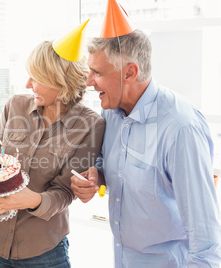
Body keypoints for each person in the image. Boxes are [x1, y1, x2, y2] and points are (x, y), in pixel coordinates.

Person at [70, 25, 221, 268]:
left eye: (97, 72)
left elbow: (206, 242)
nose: (89, 82)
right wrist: (97, 177)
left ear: (129, 73)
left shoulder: (181, 129)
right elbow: (113, 166)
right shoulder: (111, 113)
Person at [0, 38, 105, 267]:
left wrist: (32, 200)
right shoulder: (15, 106)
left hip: (44, 253)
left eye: (36, 78)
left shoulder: (90, 125)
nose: (28, 84)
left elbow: (66, 191)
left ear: (60, 82)